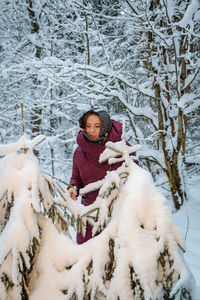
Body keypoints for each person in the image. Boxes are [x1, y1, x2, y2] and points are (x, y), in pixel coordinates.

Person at [69, 107, 133, 244]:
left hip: (118, 212)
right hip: (90, 212)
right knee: (86, 255)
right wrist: (73, 187)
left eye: (97, 126)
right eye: (88, 126)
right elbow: (76, 178)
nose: (91, 130)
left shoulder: (122, 149)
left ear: (105, 127)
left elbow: (136, 179)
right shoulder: (79, 152)